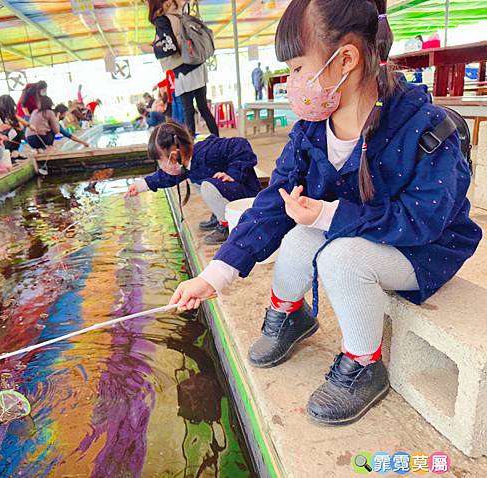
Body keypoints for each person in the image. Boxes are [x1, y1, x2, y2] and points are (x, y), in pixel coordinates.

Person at [168, 0, 482, 426]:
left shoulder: (425, 128)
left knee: (340, 257)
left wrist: (330, 217)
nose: (291, 82)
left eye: (297, 67)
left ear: (346, 59)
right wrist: (214, 276)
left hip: (424, 249)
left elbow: (423, 221)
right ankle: (290, 313)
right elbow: (273, 203)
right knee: (298, 237)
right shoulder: (311, 131)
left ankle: (365, 364)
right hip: (366, 233)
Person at [126, 120, 261, 244]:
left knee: (208, 186)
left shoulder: (208, 152)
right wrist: (140, 186)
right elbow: (166, 177)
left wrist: (233, 173)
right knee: (200, 182)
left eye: (161, 160)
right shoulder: (186, 163)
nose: (161, 165)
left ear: (175, 154)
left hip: (246, 194)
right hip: (231, 193)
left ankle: (226, 225)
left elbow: (240, 144)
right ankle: (219, 213)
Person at [148, 0, 219, 138]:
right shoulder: (181, 13)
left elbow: (170, 47)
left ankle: (190, 147)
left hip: (184, 70)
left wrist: (154, 48)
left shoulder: (162, 20)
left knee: (188, 111)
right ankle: (217, 139)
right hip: (198, 64)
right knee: (203, 107)